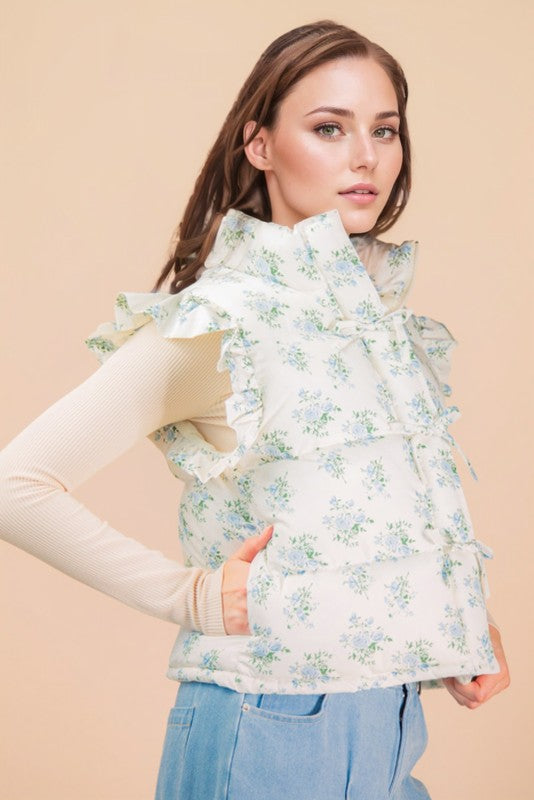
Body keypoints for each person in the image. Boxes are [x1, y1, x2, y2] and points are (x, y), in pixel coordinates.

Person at [0, 19, 510, 800]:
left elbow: (366, 522)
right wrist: (190, 595)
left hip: (392, 725)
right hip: (268, 724)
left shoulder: (379, 326)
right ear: (260, 145)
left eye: (384, 130)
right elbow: (15, 486)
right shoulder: (221, 322)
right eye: (329, 128)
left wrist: (451, 622)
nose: (366, 157)